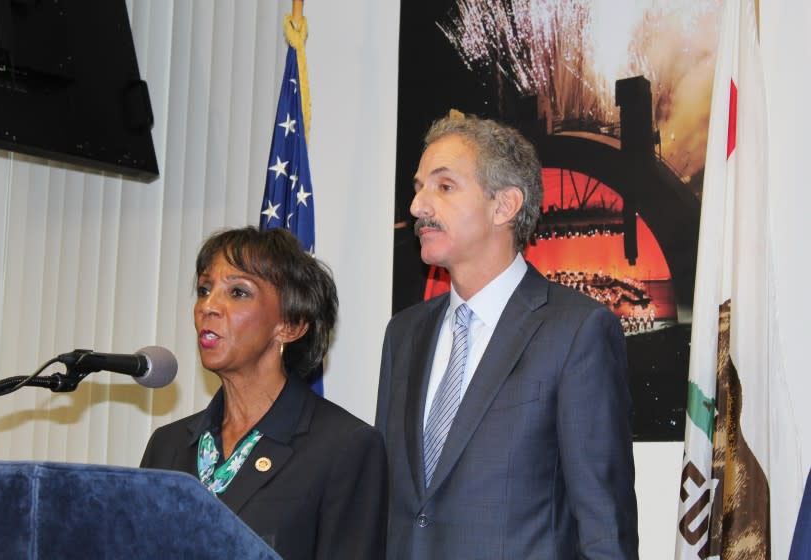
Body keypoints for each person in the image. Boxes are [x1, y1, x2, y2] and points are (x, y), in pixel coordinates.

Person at [375, 112, 639, 558]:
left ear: (505, 205)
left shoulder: (577, 331)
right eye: (418, 187)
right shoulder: (403, 334)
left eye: (443, 186)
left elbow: (604, 530)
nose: (418, 206)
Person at [141, 226, 387, 559]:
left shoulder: (344, 447)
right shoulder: (167, 445)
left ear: (291, 325)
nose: (207, 307)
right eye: (204, 289)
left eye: (238, 292)